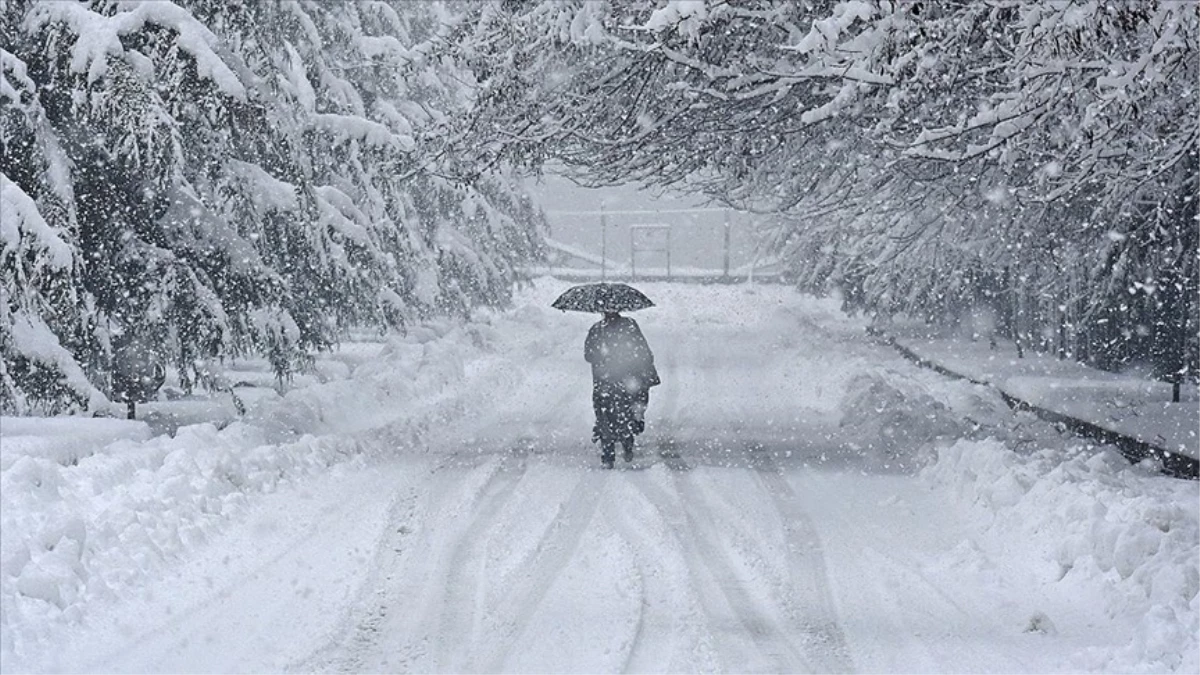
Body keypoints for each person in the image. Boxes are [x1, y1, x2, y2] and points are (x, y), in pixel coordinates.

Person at [584, 311, 659, 468]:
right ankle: (627, 443)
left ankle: (608, 454)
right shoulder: (630, 326)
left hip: (604, 381)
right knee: (625, 414)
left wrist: (604, 357)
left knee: (605, 416)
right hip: (626, 380)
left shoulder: (597, 329)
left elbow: (589, 355)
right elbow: (643, 351)